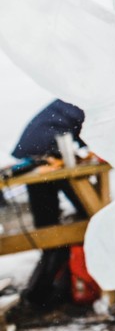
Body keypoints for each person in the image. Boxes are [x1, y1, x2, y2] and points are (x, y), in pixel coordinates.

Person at [11, 99, 87, 309]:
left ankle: (45, 284)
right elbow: (86, 130)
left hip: (39, 147)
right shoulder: (80, 101)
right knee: (55, 213)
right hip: (42, 148)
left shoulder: (68, 102)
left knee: (48, 215)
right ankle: (45, 287)